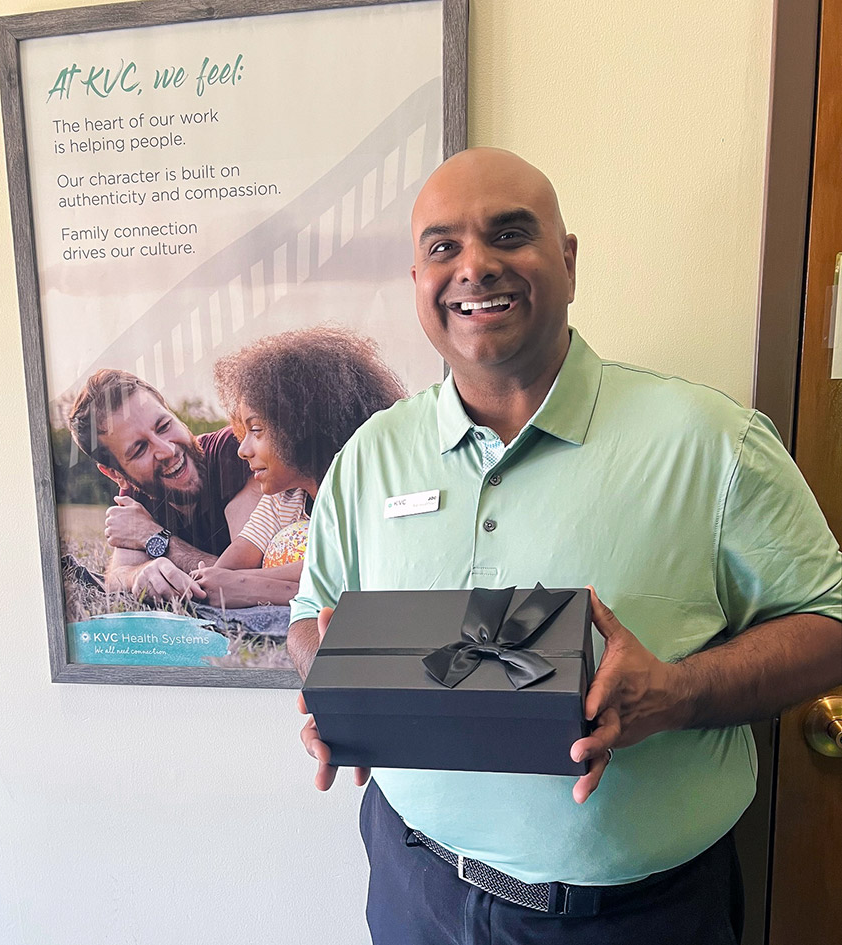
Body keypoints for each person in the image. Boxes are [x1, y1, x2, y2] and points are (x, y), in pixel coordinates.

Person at [288, 148, 842, 944]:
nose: (474, 266)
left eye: (509, 234)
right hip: (414, 887)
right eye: (443, 246)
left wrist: (677, 692)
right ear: (417, 280)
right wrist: (340, 694)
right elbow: (310, 617)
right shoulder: (370, 454)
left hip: (632, 919)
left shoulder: (710, 442)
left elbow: (829, 625)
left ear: (567, 260)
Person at [189, 326, 406, 608]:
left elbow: (336, 571)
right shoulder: (285, 498)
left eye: (256, 430)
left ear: (301, 427)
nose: (243, 450)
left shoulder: (365, 493)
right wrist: (207, 580)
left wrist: (247, 584)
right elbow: (236, 559)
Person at [68, 369, 257, 602]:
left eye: (164, 426)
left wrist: (156, 538)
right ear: (117, 475)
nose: (167, 450)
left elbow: (251, 579)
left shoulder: (236, 451)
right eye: (139, 449)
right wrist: (139, 575)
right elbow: (116, 577)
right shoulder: (137, 494)